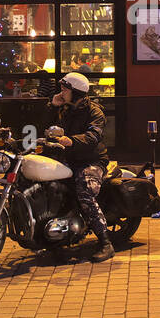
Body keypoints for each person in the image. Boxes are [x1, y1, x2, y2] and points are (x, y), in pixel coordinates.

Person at [49, 71, 115, 263]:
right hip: (68, 159)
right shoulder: (65, 108)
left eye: (65, 89)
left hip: (91, 160)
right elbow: (47, 125)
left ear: (76, 92)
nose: (61, 92)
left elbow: (94, 136)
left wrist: (71, 140)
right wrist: (52, 106)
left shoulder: (95, 111)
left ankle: (105, 243)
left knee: (84, 190)